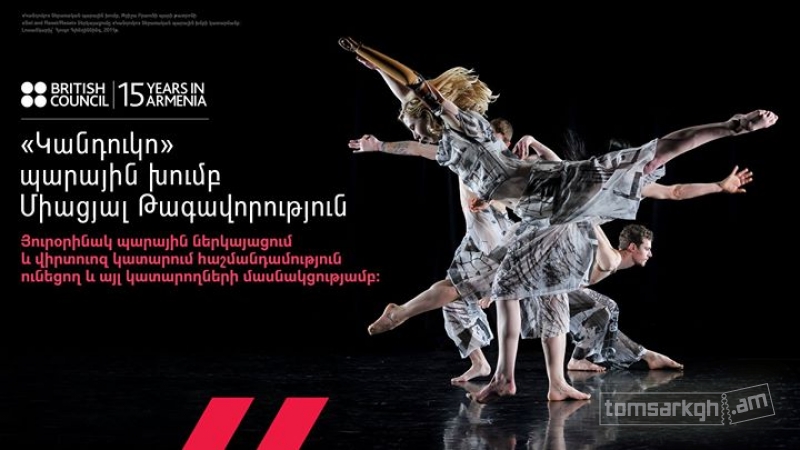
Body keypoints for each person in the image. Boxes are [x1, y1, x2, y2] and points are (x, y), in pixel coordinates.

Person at [341, 37, 778, 400]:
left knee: (649, 157)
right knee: (511, 285)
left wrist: (369, 52)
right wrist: (376, 75)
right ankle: (516, 378)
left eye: (416, 122)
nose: (412, 129)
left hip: (553, 188)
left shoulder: (470, 126)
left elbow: (418, 86)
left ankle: (732, 126)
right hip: (541, 212)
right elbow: (409, 100)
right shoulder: (449, 148)